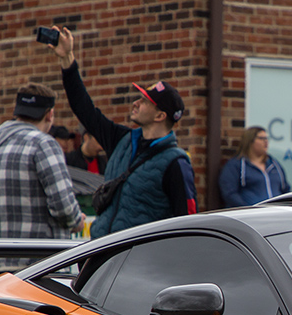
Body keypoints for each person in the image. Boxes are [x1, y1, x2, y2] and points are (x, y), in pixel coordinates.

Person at [49, 26, 196, 238]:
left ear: (160, 116)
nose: (136, 103)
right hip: (103, 252)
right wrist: (67, 59)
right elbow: (84, 109)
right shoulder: (122, 140)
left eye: (145, 101)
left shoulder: (176, 163)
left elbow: (187, 223)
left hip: (141, 263)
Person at [0, 83, 86, 272]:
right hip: (41, 266)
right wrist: (77, 221)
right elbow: (64, 207)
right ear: (49, 114)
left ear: (17, 112)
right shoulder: (43, 144)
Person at [219, 126, 290, 207]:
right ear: (250, 141)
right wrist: (246, 208)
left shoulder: (274, 164)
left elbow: (285, 190)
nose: (265, 141)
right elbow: (229, 193)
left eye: (267, 138)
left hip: (275, 215)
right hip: (249, 216)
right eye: (261, 138)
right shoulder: (237, 165)